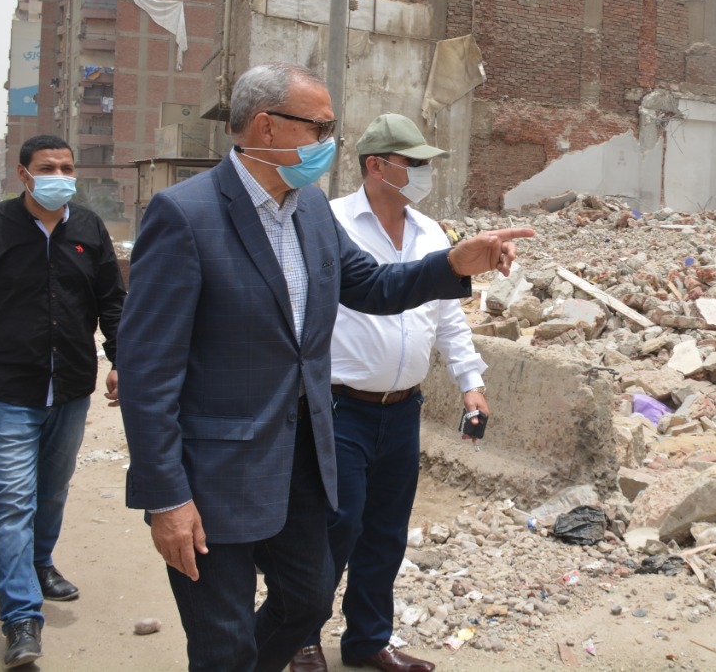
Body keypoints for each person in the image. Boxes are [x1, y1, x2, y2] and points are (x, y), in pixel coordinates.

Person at [117, 62, 531, 672]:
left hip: (301, 464)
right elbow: (147, 371)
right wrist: (166, 497)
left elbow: (373, 285)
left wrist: (451, 265)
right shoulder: (186, 214)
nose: (329, 143)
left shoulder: (310, 210)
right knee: (223, 642)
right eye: (319, 128)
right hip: (214, 476)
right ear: (267, 126)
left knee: (308, 600)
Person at [290, 115, 487, 672]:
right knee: (336, 525)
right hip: (338, 407)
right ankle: (300, 635)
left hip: (403, 409)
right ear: (376, 166)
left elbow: (448, 318)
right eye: (414, 162)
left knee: (385, 531)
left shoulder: (431, 234)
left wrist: (471, 382)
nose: (425, 173)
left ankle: (369, 639)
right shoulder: (330, 224)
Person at [0, 135, 125, 668]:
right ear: (23, 174)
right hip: (5, 389)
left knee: (52, 490)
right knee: (13, 500)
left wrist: (122, 361)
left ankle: (40, 563)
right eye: (48, 167)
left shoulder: (88, 228)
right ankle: (21, 618)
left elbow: (111, 302)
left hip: (69, 387)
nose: (60, 176)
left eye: (67, 167)